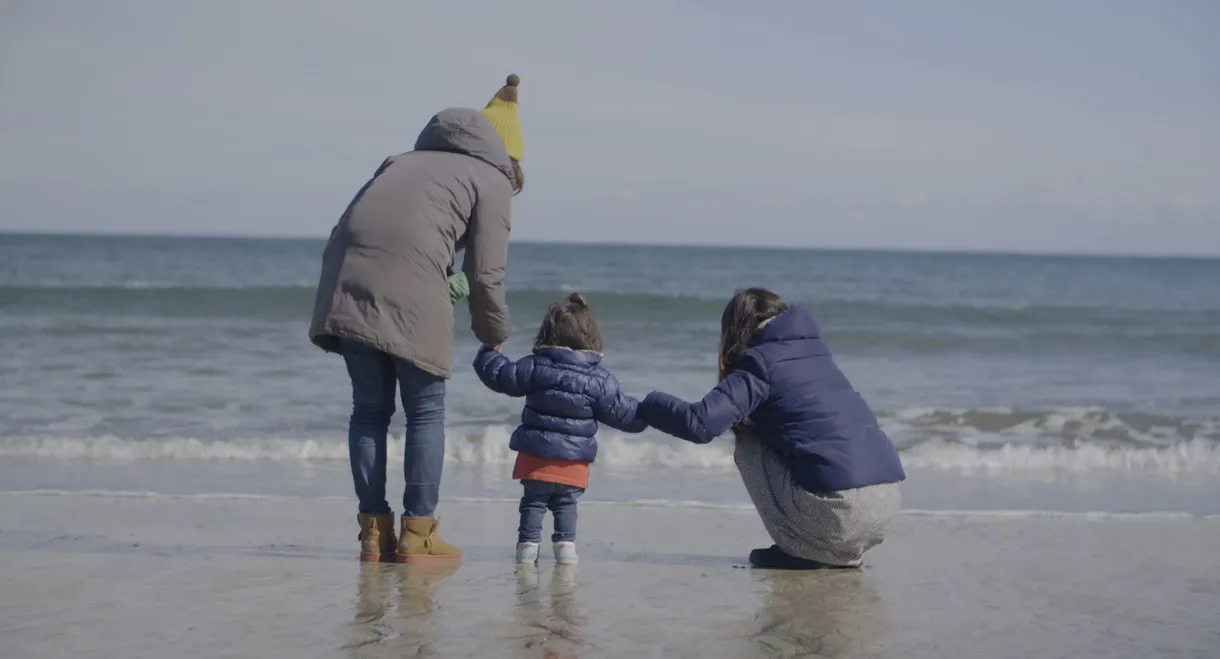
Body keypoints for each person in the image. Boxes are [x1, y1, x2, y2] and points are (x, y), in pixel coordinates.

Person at [309, 75, 526, 563]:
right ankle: (419, 535)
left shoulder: (400, 162)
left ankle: (372, 533)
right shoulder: (492, 179)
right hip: (408, 280)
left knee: (369, 410)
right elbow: (486, 272)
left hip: (345, 274)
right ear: (506, 153)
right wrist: (494, 336)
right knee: (425, 411)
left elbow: (366, 226)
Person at [637, 288, 906, 569]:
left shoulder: (760, 362)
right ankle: (835, 550)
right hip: (886, 504)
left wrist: (648, 406)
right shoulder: (815, 352)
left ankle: (800, 548)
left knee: (749, 440)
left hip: (841, 512)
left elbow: (701, 424)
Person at [473, 293, 647, 565]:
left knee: (533, 503)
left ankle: (526, 550)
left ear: (547, 333)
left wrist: (488, 352)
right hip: (572, 464)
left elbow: (501, 376)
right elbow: (623, 414)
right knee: (566, 505)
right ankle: (566, 551)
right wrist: (652, 412)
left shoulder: (535, 367)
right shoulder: (599, 380)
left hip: (535, 459)